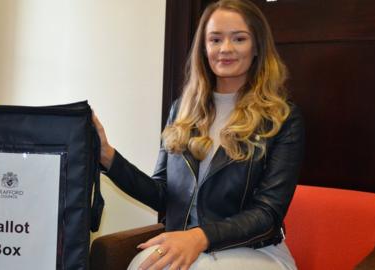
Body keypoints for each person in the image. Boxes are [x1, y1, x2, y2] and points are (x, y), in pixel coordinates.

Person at [92, 0, 304, 269]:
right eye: (215, 39)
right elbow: (162, 194)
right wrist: (107, 155)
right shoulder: (181, 110)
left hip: (257, 251)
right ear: (204, 48)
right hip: (191, 244)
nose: (225, 48)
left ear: (257, 47)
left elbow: (267, 214)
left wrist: (199, 237)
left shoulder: (283, 118)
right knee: (141, 265)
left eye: (239, 38)